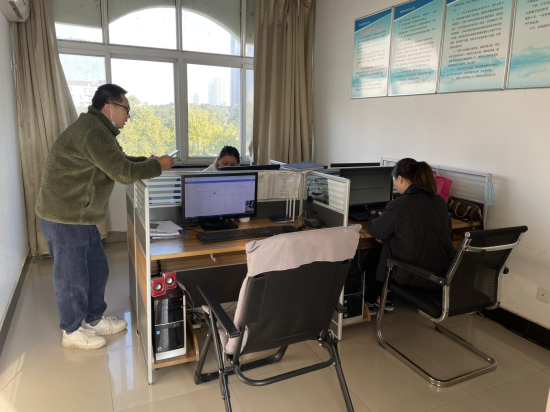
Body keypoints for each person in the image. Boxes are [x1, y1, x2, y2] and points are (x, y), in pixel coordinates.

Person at [35, 84, 175, 350]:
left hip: (81, 215)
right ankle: (72, 330)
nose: (129, 115)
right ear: (109, 107)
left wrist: (148, 161)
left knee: (97, 269)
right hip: (65, 216)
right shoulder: (94, 132)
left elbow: (118, 160)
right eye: (126, 109)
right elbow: (122, 172)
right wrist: (157, 166)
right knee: (72, 277)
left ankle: (93, 318)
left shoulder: (100, 130)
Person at [365, 158, 455, 318]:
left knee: (378, 248)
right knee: (397, 240)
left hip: (415, 274)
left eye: (394, 179)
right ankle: (383, 298)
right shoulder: (440, 202)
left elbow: (377, 230)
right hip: (440, 274)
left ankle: (372, 298)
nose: (394, 183)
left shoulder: (400, 203)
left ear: (400, 179)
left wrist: (372, 217)